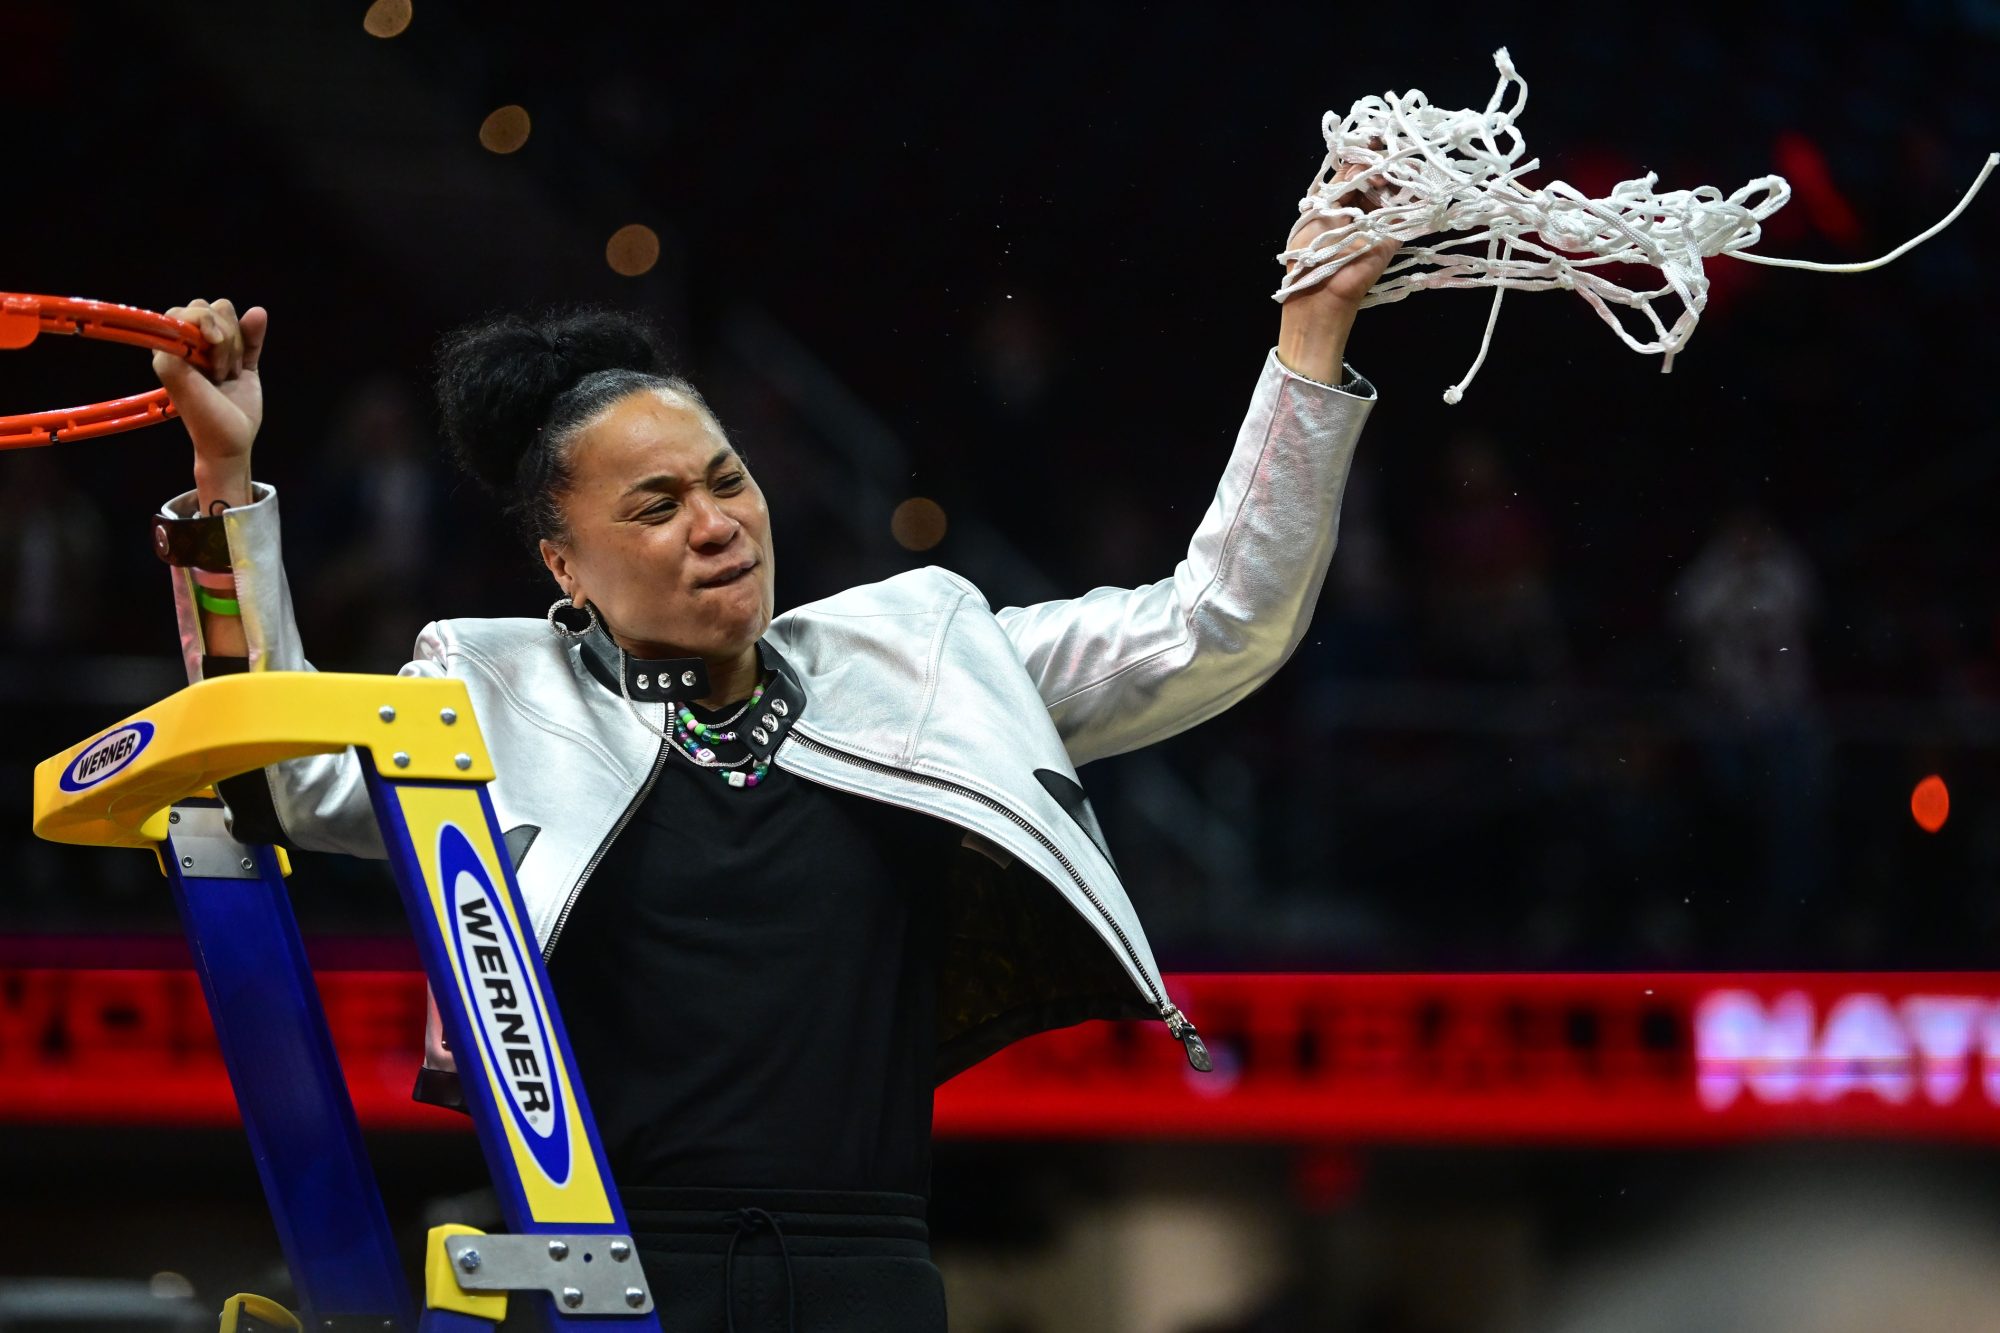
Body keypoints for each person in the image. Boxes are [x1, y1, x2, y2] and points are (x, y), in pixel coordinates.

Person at [145, 167, 1398, 1331]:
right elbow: (267, 765)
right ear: (562, 567)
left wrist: (1310, 336)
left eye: (725, 480)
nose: (715, 524)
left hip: (872, 1282)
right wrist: (223, 473)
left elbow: (1215, 622)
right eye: (655, 505)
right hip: (596, 1277)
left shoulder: (924, 656)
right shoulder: (484, 694)